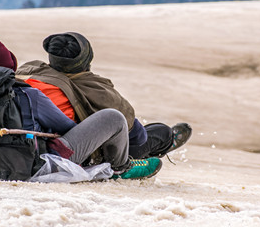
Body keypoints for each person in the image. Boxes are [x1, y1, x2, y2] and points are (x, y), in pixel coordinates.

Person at [0, 36, 162, 180]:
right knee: (125, 122)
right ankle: (122, 169)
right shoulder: (29, 93)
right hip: (33, 162)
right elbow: (67, 127)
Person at [15, 32, 192, 161]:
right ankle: (166, 141)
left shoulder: (29, 71)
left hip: (23, 143)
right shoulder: (94, 87)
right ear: (86, 59)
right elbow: (137, 135)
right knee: (159, 132)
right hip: (71, 150)